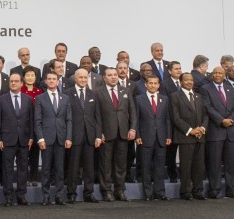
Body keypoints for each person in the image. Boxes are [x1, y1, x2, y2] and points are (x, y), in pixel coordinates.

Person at [96, 68, 137, 201]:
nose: (113, 77)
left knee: (121, 164)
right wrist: (99, 132)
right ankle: (106, 190)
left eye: (115, 75)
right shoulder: (97, 92)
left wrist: (133, 129)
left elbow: (133, 112)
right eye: (110, 75)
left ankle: (120, 190)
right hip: (106, 134)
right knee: (105, 164)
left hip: (123, 133)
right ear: (104, 77)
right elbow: (96, 115)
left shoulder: (126, 91)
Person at [200, 66, 234, 198]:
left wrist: (231, 119)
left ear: (224, 75)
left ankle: (231, 190)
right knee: (215, 163)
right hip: (216, 130)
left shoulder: (231, 88)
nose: (217, 75)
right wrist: (222, 120)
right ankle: (215, 190)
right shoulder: (205, 89)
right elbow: (207, 107)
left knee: (231, 164)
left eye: (220, 73)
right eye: (215, 73)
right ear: (212, 75)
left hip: (231, 131)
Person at [0, 73, 33, 206]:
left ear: (22, 83)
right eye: (11, 81)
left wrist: (32, 137)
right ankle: (8, 196)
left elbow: (31, 120)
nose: (14, 83)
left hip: (24, 139)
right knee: (7, 169)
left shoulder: (28, 99)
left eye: (16, 81)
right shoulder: (1, 99)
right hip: (7, 139)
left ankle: (21, 195)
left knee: (23, 168)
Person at [64, 69, 102, 203]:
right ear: (75, 78)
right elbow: (66, 117)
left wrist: (98, 136)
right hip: (74, 135)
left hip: (90, 136)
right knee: (73, 166)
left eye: (85, 78)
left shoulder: (93, 94)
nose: (83, 80)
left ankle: (88, 193)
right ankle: (71, 193)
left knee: (89, 167)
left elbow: (97, 117)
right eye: (81, 77)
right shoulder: (67, 94)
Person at [34, 72, 71, 205]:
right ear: (45, 81)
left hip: (61, 138)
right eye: (49, 79)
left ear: (58, 82)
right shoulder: (40, 98)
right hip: (46, 139)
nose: (51, 81)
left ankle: (59, 195)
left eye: (54, 79)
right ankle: (46, 196)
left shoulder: (65, 98)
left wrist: (68, 137)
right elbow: (37, 121)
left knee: (60, 169)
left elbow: (69, 120)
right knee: (46, 169)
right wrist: (40, 138)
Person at [170, 73, 207, 200]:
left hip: (200, 136)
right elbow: (175, 117)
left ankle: (198, 191)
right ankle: (185, 191)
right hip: (185, 136)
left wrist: (202, 128)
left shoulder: (199, 97)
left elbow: (205, 115)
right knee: (186, 166)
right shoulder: (175, 96)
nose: (189, 82)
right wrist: (190, 130)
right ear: (180, 82)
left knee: (199, 166)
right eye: (186, 80)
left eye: (191, 80)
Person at [134, 75, 171, 201]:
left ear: (159, 85)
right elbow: (136, 119)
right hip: (145, 138)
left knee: (160, 167)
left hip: (161, 138)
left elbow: (167, 119)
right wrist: (137, 135)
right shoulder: (139, 99)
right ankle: (148, 193)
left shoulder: (164, 99)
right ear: (146, 84)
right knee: (146, 166)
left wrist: (168, 135)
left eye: (155, 83)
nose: (153, 85)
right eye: (150, 83)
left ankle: (160, 192)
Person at [20, 69, 43, 186]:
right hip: (23, 127)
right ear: (23, 78)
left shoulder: (40, 92)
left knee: (35, 154)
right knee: (24, 156)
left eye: (32, 75)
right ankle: (24, 178)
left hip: (36, 127)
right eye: (27, 75)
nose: (30, 77)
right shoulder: (19, 91)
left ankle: (33, 178)